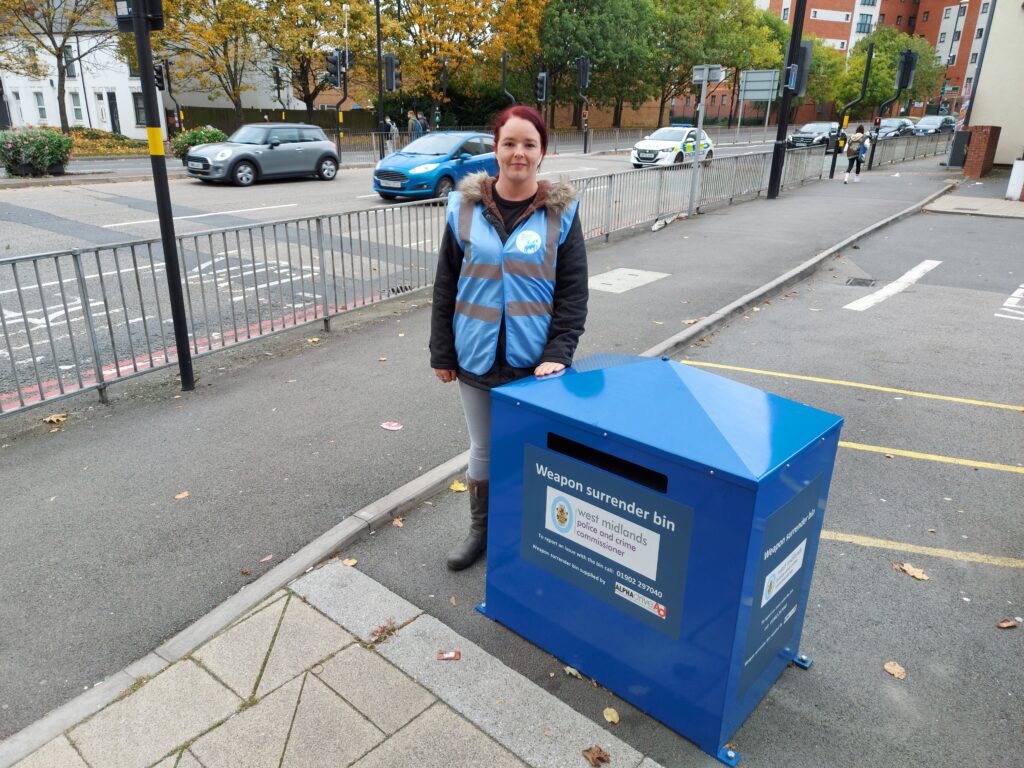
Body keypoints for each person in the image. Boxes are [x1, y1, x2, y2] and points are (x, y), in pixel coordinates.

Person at [429, 105, 588, 571]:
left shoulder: (561, 213)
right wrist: (442, 351)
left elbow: (573, 293)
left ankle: (524, 536)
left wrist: (559, 352)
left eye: (529, 144)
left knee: (529, 453)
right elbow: (446, 285)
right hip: (474, 355)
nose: (519, 153)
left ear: (543, 153)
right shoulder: (463, 209)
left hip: (534, 362)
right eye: (510, 143)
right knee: (482, 449)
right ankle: (481, 531)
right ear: (495, 149)